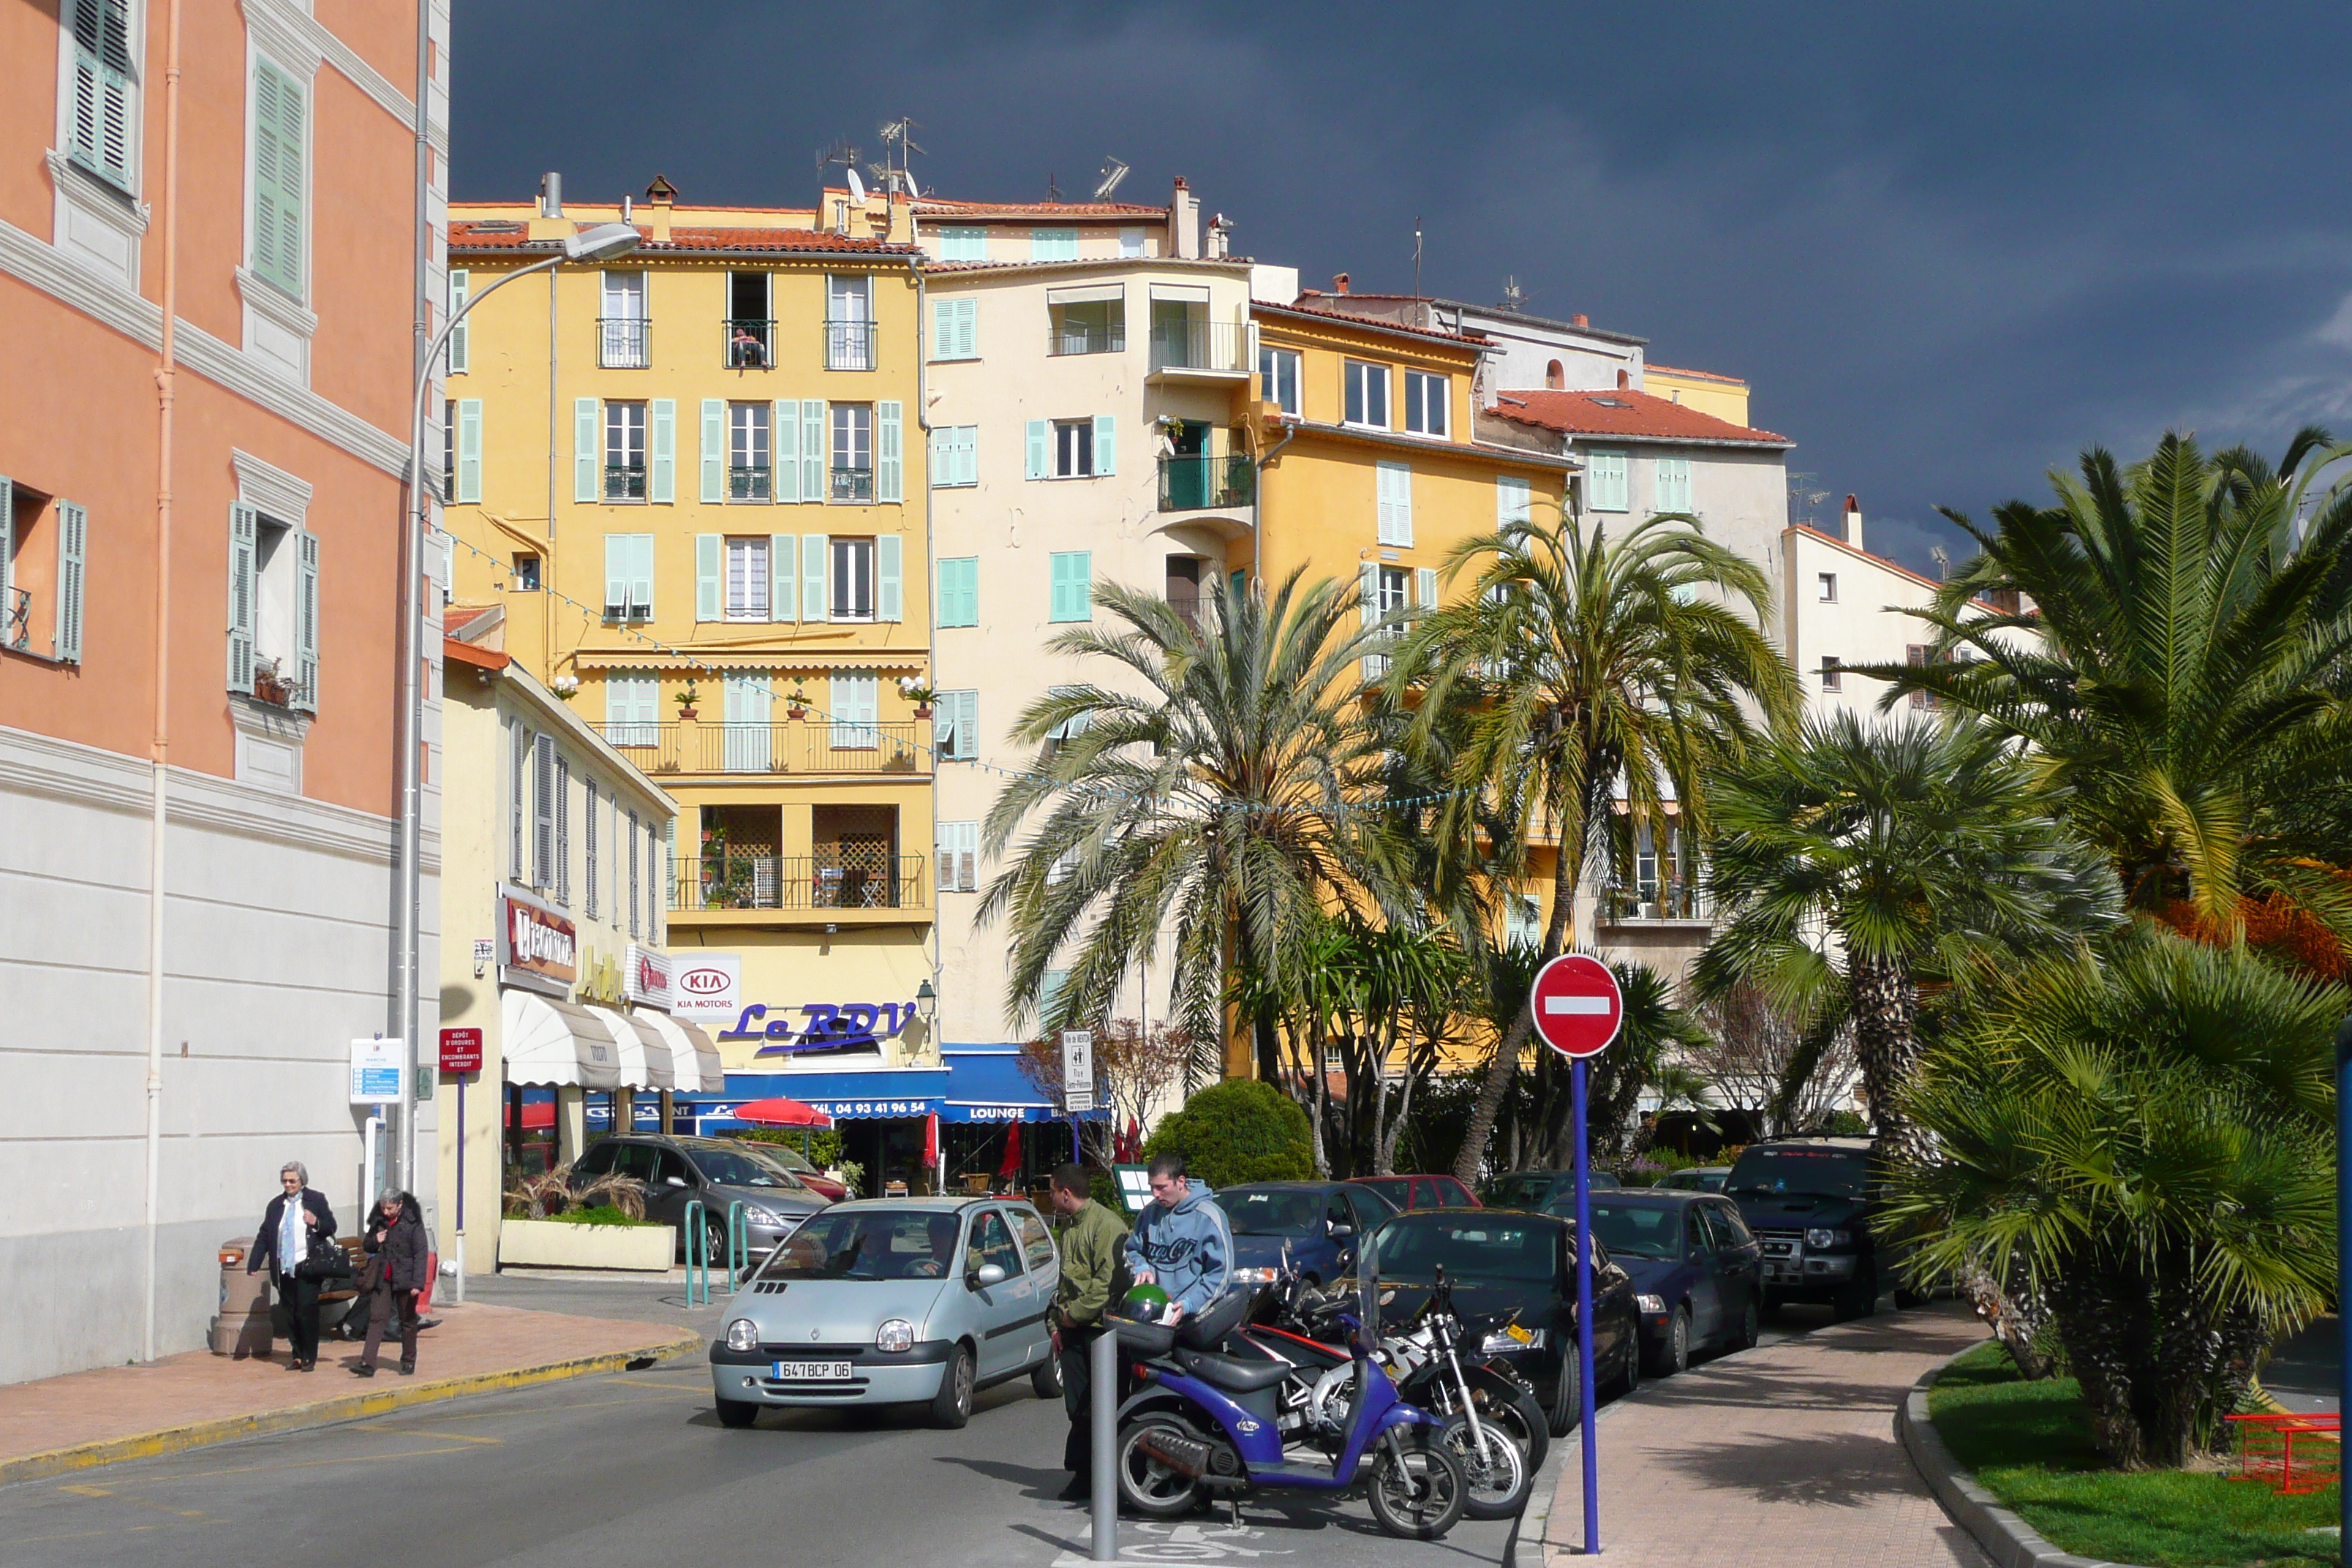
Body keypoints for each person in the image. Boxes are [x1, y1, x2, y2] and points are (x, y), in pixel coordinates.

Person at [1047, 1163, 1128, 1501]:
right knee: (1077, 1408)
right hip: (1072, 1332)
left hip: (1100, 1332)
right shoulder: (1070, 1228)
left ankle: (1114, 1475)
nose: (1050, 1198)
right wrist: (1057, 1325)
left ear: (1066, 1194)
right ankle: (1084, 1475)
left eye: (1051, 1191)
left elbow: (1107, 1285)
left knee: (1106, 1406)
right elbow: (1065, 1283)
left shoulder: (1106, 1225)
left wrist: (1073, 1317)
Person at [1122, 1152, 1231, 1329]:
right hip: (1152, 1317)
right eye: (1152, 1187)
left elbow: (1220, 1274)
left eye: (1161, 1187)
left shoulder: (1209, 1217)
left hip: (1193, 1321)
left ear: (1180, 1182)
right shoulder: (1149, 1213)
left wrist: (1189, 1304)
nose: (1155, 1194)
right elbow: (1132, 1250)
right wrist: (1141, 1267)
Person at [248, 1161, 335, 1371]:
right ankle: (296, 1355)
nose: (288, 1185)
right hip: (284, 1267)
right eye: (284, 1181)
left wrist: (316, 1222)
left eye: (292, 1181)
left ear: (302, 1181)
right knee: (291, 1313)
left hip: (308, 1264)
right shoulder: (276, 1205)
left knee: (307, 1310)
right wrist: (254, 1262)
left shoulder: (316, 1199)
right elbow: (265, 1235)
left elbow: (331, 1226)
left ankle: (309, 1356)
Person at [353, 1188, 426, 1377]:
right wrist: (375, 1241)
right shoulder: (379, 1221)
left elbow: (420, 1253)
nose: (386, 1212)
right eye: (383, 1208)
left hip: (406, 1277)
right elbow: (367, 1245)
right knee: (377, 1317)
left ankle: (408, 1361)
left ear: (400, 1205)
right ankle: (367, 1362)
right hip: (383, 1277)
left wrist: (417, 1283)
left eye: (390, 1208)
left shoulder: (413, 1222)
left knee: (407, 1320)